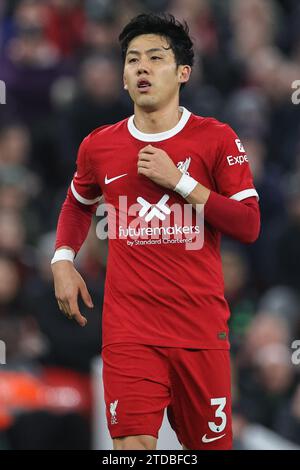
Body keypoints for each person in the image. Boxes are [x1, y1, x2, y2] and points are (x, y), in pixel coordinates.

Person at [51, 13, 260, 450]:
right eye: (132, 60)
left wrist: (180, 182)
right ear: (124, 78)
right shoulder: (99, 145)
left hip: (199, 330)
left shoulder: (216, 139)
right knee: (133, 448)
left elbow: (248, 224)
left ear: (183, 73)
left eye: (155, 58)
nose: (141, 67)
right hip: (131, 331)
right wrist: (63, 260)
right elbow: (77, 202)